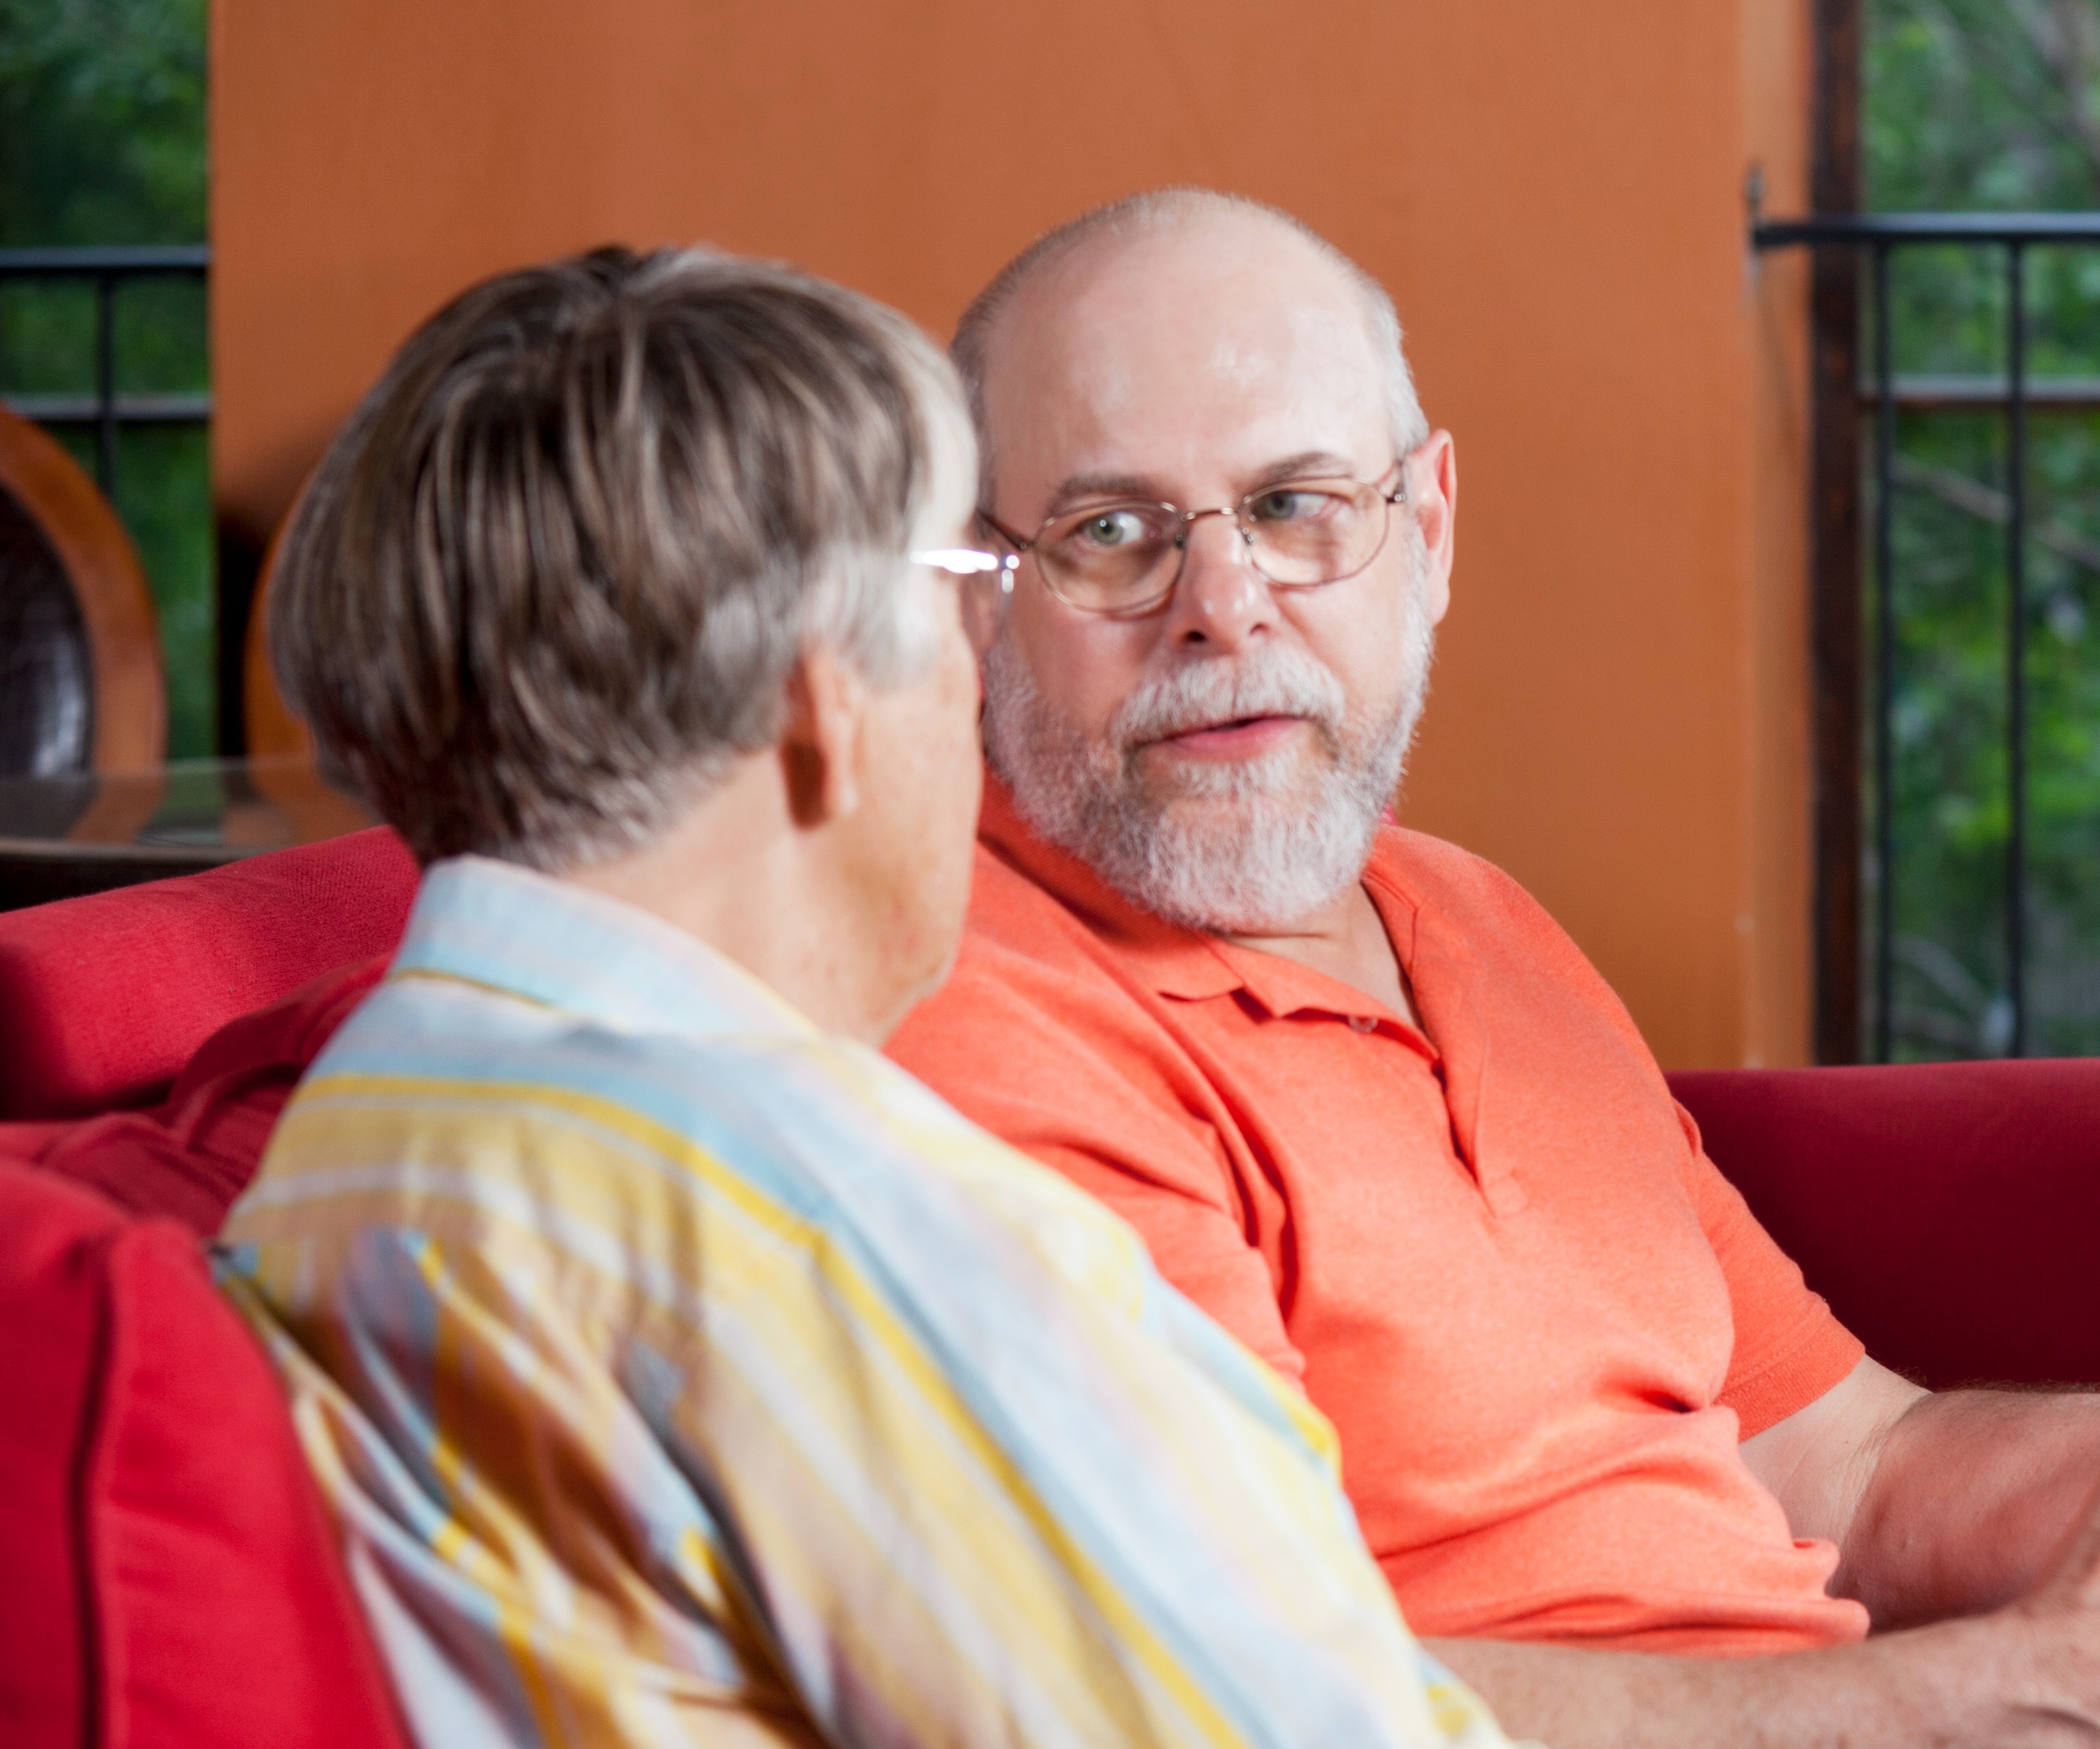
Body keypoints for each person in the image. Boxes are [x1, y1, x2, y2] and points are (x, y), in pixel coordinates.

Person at [881, 187, 2100, 1744]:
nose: (1225, 607)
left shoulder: (1466, 917)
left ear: (1428, 530)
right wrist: (2011, 1695)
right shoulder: (975, 1014)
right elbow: (1224, 1699)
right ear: (975, 596)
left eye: (1299, 507)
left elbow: (1857, 1472)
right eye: (1111, 534)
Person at [218, 245, 1518, 1747]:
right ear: (821, 702)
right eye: (962, 590)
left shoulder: (360, 1121)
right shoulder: (826, 1226)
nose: (979, 672)